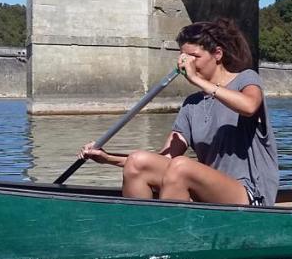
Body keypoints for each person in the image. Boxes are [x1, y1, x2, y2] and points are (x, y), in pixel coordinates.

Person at [79, 18, 279, 206]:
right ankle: (141, 231)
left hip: (250, 194)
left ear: (217, 54)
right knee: (137, 162)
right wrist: (107, 158)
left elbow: (249, 106)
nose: (187, 64)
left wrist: (197, 81)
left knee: (182, 166)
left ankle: (169, 234)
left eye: (195, 57)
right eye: (184, 57)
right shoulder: (191, 104)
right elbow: (164, 159)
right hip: (207, 192)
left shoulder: (246, 79)